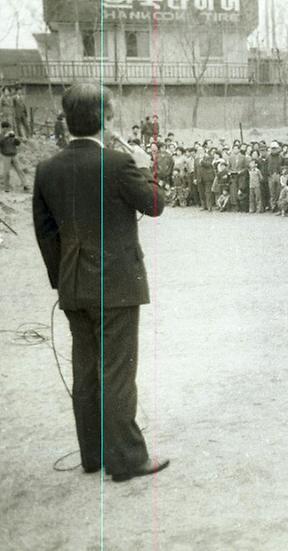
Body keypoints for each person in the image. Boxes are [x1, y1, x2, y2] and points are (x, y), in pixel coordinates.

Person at [31, 83, 169, 481]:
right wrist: (143, 164)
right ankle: (126, 459)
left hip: (74, 285)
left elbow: (46, 233)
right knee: (117, 372)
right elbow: (155, 205)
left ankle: (93, 454)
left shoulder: (47, 169)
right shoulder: (118, 163)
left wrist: (64, 281)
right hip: (118, 284)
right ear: (105, 118)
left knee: (87, 371)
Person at [0, 122, 24, 192]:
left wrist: (16, 138)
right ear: (3, 128)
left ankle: (25, 185)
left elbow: (18, 144)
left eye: (8, 128)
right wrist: (5, 137)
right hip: (6, 156)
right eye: (6, 128)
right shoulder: (1, 135)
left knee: (20, 170)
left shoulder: (11, 134)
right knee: (7, 172)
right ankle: (6, 188)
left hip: (14, 155)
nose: (8, 129)